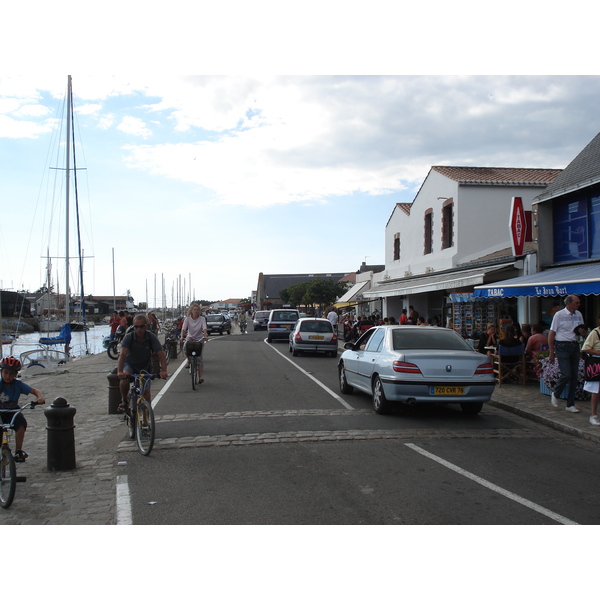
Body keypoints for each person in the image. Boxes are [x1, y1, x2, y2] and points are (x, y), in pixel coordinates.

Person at [117, 314, 168, 411]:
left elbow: (161, 354)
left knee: (146, 394)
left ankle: (147, 418)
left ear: (146, 326)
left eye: (141, 326)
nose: (139, 329)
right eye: (136, 327)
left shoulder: (151, 337)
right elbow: (122, 355)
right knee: (125, 379)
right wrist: (120, 371)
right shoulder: (129, 337)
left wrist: (164, 370)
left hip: (145, 366)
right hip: (130, 364)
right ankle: (124, 400)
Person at [0, 356, 46, 462]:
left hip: (13, 411)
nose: (8, 376)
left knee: (21, 424)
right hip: (0, 412)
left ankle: (18, 450)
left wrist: (40, 397)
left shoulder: (18, 385)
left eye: (11, 374)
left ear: (16, 374)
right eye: (5, 372)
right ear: (1, 371)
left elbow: (34, 390)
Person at [548, 295, 584, 413]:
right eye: (576, 303)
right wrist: (551, 352)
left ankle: (570, 404)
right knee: (566, 374)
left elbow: (581, 331)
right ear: (569, 303)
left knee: (574, 376)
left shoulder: (579, 314)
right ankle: (556, 393)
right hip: (562, 345)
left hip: (574, 344)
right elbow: (552, 333)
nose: (578, 305)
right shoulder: (559, 315)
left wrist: (582, 332)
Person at [181, 303, 208, 383]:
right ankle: (189, 360)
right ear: (191, 311)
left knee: (199, 358)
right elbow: (183, 329)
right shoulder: (187, 319)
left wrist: (205, 336)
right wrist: (182, 336)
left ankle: (200, 377)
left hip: (199, 338)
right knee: (185, 348)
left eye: (197, 310)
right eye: (194, 310)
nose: (196, 311)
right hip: (190, 337)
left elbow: (204, 328)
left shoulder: (202, 319)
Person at [582, 316, 600, 426]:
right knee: (596, 390)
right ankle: (593, 415)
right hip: (596, 364)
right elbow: (585, 348)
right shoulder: (595, 333)